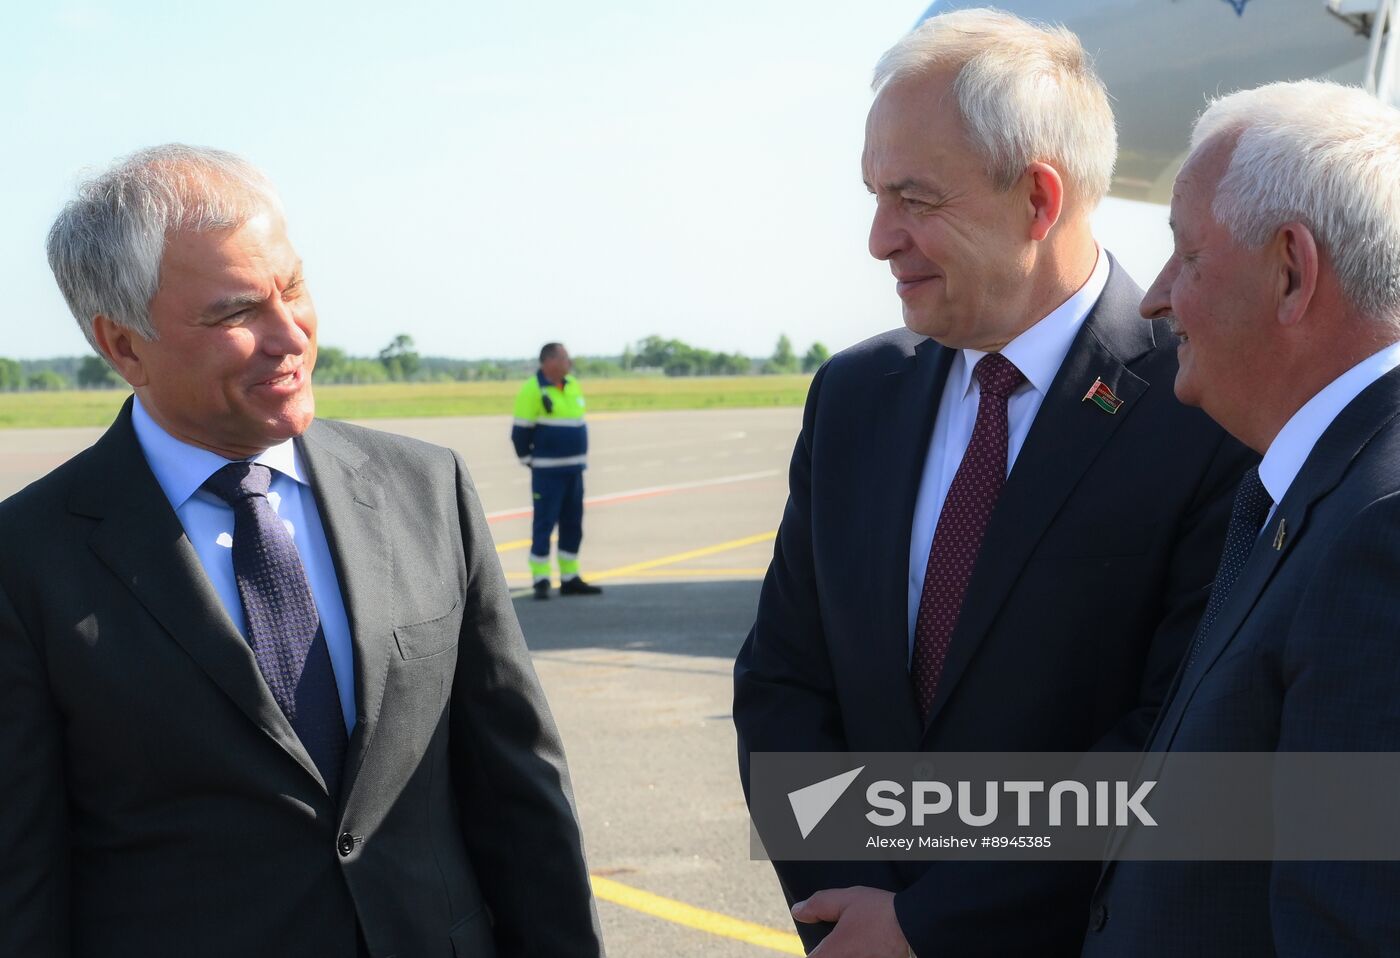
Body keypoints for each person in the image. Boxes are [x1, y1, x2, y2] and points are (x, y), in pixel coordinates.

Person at [733, 10, 1253, 957]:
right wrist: (850, 899)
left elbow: (1173, 738)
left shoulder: (1208, 404)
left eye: (915, 199)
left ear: (1038, 200)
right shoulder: (855, 396)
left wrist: (930, 925)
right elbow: (782, 684)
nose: (879, 238)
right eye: (873, 195)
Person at [0, 145, 602, 957]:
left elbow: (520, 794)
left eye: (292, 288)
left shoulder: (428, 490)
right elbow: (21, 880)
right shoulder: (27, 560)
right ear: (123, 344)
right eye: (235, 313)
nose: (292, 334)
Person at [1083, 80, 1400, 955]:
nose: (1154, 298)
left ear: (1291, 271)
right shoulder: (1322, 488)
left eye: (1187, 255)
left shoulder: (1381, 529)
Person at [512, 343, 602, 599]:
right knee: (544, 524)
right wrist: (532, 462)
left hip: (574, 470)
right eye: (564, 357)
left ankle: (569, 577)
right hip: (547, 473)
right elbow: (519, 433)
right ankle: (541, 578)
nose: (569, 361)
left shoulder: (572, 384)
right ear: (549, 361)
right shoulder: (532, 389)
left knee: (573, 524)